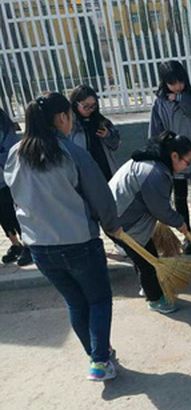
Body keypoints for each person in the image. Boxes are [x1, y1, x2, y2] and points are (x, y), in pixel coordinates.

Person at [3, 92, 122, 381]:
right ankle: (100, 360)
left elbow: (15, 196)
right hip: (79, 243)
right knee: (98, 300)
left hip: (41, 248)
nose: (70, 121)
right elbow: (100, 196)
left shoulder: (15, 154)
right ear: (61, 118)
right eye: (68, 115)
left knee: (76, 302)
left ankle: (98, 354)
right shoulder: (70, 152)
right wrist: (111, 226)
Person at [109, 131, 191, 314]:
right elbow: (160, 209)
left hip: (117, 217)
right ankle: (155, 300)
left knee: (142, 258)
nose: (186, 167)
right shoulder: (155, 173)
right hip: (123, 225)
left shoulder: (152, 162)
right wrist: (180, 223)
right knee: (149, 262)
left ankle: (147, 288)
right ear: (174, 156)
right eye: (186, 162)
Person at [149, 60, 191, 254]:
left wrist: (180, 99)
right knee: (180, 197)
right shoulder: (160, 102)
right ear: (164, 82)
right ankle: (189, 237)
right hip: (174, 159)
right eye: (172, 83)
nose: (177, 86)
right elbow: (155, 131)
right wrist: (158, 154)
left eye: (180, 81)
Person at [68, 85, 121, 181]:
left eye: (93, 106)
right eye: (85, 106)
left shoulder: (101, 121)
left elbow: (115, 145)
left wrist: (108, 135)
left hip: (105, 169)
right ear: (75, 104)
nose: (90, 110)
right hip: (84, 172)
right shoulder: (70, 125)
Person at [0, 108, 32, 266]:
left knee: (15, 210)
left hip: (7, 176)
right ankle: (15, 244)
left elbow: (11, 147)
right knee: (3, 214)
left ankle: (28, 245)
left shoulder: (2, 121)